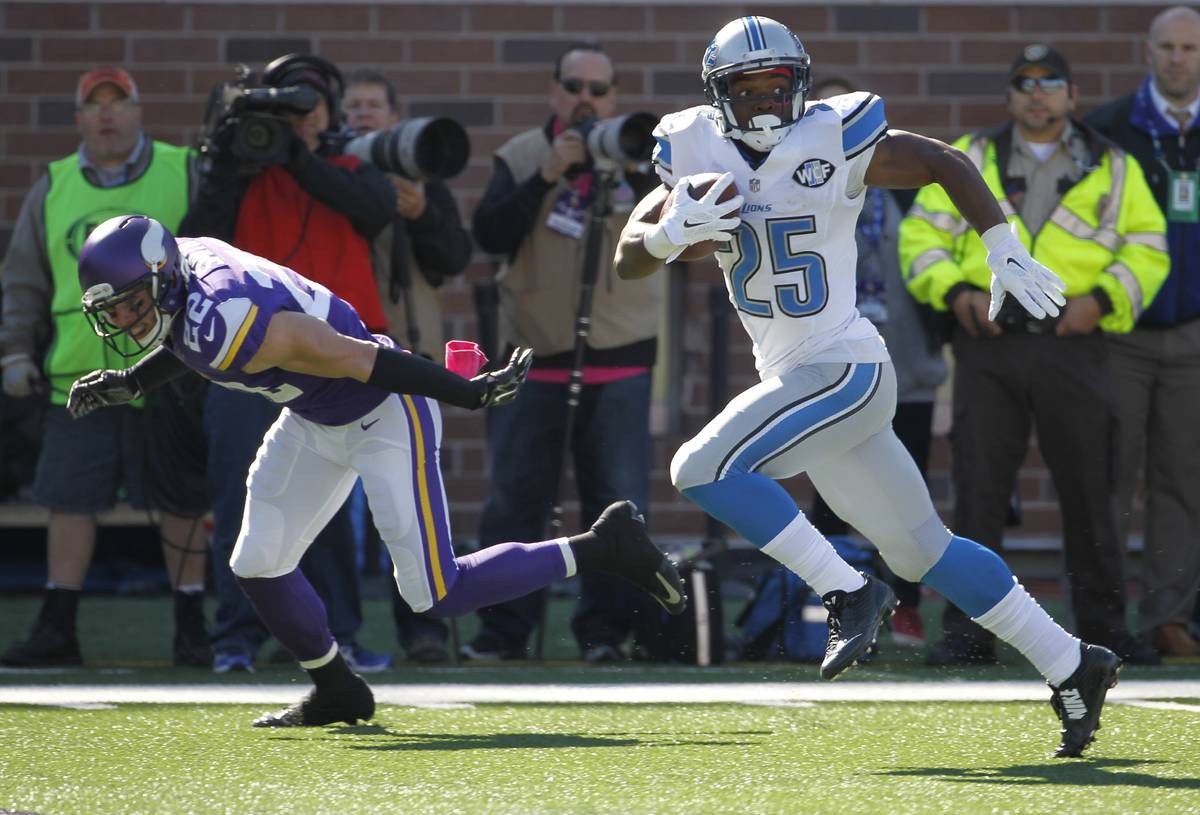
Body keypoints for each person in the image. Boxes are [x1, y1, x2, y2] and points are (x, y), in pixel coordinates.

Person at [616, 16, 1120, 758]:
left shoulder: (833, 135)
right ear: (719, 95)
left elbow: (944, 160)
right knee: (923, 551)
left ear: (801, 84)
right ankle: (1072, 661)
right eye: (749, 89)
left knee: (700, 467)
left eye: (778, 86)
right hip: (799, 377)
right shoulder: (690, 147)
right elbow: (628, 256)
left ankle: (848, 590)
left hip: (844, 366)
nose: (766, 102)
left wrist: (1002, 245)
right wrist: (666, 235)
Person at [65, 214, 686, 726]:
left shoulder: (228, 316)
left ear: (163, 277)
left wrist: (463, 392)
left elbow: (350, 356)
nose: (125, 321)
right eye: (114, 312)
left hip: (385, 412)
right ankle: (337, 688)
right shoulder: (187, 273)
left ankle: (604, 546)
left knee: (436, 592)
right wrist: (133, 380)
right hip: (314, 417)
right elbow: (187, 335)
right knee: (257, 562)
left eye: (132, 305)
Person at [901, 45, 1168, 668]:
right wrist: (957, 293)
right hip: (988, 342)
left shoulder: (1115, 165)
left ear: (1073, 96)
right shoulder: (968, 157)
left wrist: (1103, 301)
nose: (1038, 93)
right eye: (1025, 83)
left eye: (1051, 83)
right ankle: (969, 636)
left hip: (1075, 342)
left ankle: (1105, 629)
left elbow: (1149, 247)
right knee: (978, 493)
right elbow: (920, 237)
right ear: (1010, 96)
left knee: (1093, 492)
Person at [180, 54, 394, 674]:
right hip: (245, 361)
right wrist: (230, 163)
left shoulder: (352, 169)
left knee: (329, 510)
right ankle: (236, 639)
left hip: (333, 359)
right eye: (283, 110)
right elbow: (192, 244)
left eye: (308, 107)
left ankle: (337, 636)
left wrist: (297, 156)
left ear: (329, 113)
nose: (297, 120)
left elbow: (373, 208)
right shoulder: (239, 179)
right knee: (239, 499)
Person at [0, 65, 209, 668]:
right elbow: (23, 279)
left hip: (169, 375)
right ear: (79, 118)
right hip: (77, 381)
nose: (108, 113)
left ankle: (191, 628)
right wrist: (15, 352)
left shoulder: (184, 171)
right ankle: (57, 627)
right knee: (70, 500)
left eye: (120, 102)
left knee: (181, 502)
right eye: (95, 104)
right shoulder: (54, 184)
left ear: (139, 112)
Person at [468, 43, 663, 662]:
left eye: (598, 90)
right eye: (574, 86)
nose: (586, 99)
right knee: (515, 501)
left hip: (623, 354)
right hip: (534, 356)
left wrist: (632, 168)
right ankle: (503, 635)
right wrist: (548, 174)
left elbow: (681, 230)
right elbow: (490, 235)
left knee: (618, 505)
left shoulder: (644, 156)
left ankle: (604, 635)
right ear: (554, 92)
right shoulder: (523, 154)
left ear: (614, 97)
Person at [804, 75, 947, 649]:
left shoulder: (905, 186)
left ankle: (906, 606)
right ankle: (832, 609)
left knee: (907, 491)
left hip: (905, 368)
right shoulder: (797, 190)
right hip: (830, 370)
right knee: (831, 493)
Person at [343, 68, 474, 662]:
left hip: (408, 355)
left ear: (396, 118)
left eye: (374, 105)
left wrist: (420, 213)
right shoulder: (331, 177)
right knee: (336, 512)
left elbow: (454, 257)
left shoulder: (422, 176)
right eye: (354, 107)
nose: (363, 115)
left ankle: (423, 630)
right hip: (341, 351)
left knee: (409, 503)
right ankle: (337, 631)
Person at [1085, 6, 1200, 659]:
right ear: (1148, 50)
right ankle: (1104, 618)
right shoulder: (1108, 128)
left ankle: (1168, 618)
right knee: (1109, 477)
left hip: (1195, 335)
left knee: (1184, 480)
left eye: (1190, 47)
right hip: (1119, 332)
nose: (1178, 58)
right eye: (1168, 47)